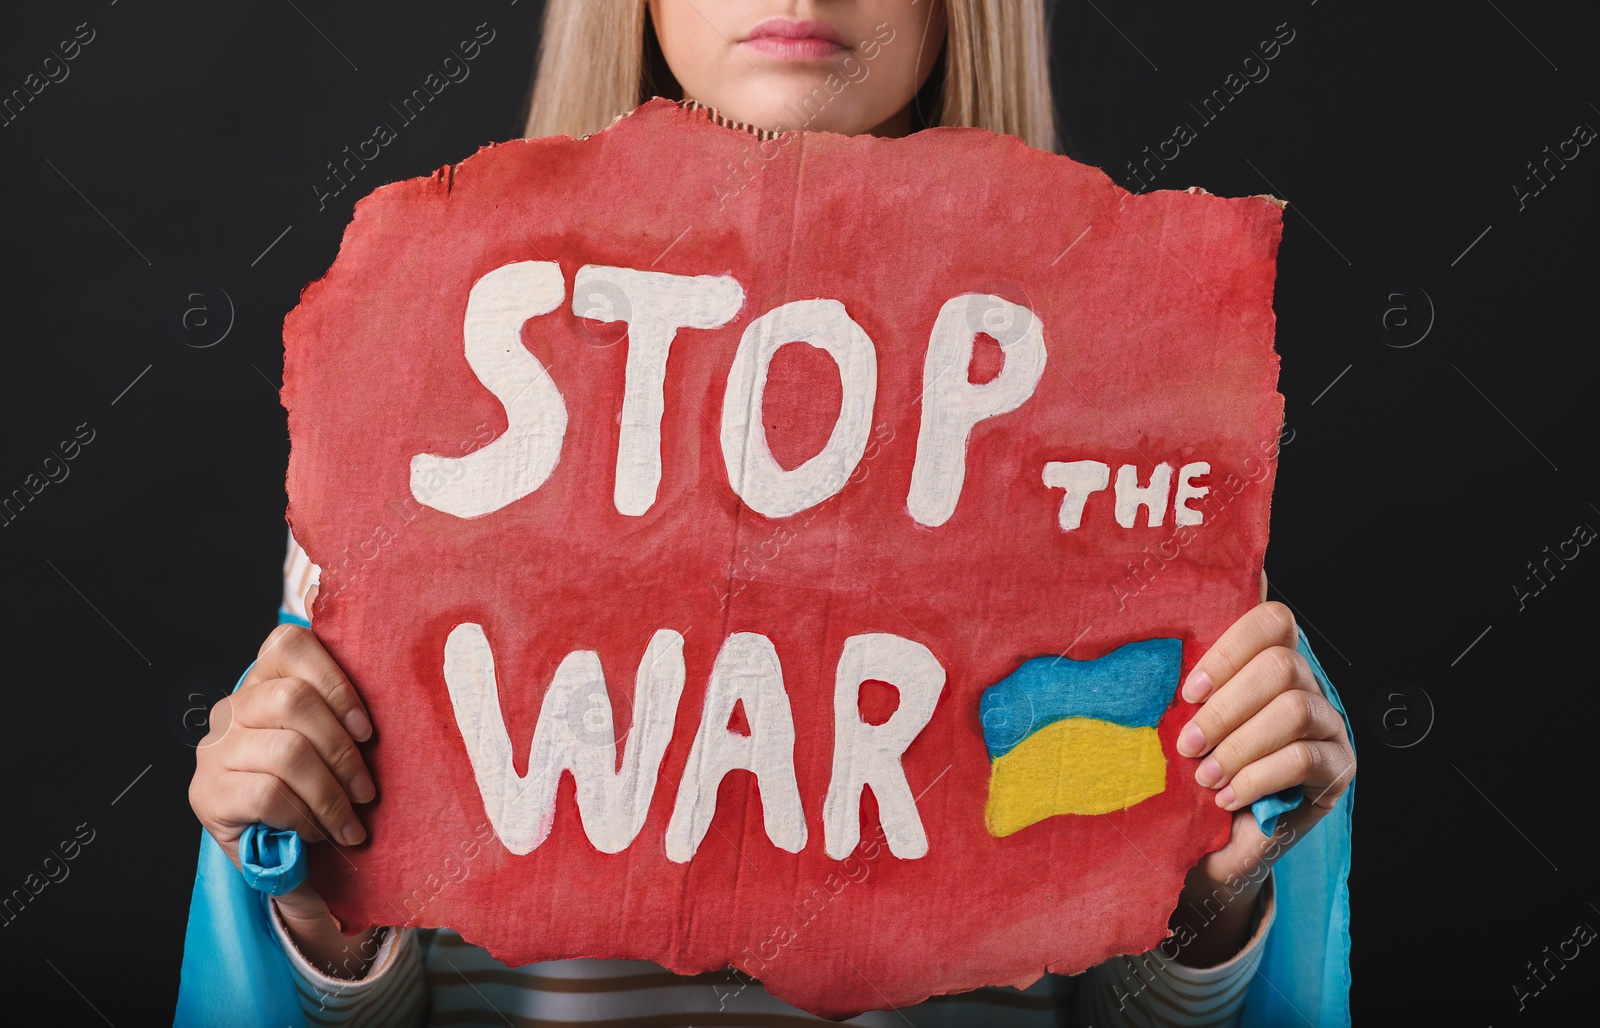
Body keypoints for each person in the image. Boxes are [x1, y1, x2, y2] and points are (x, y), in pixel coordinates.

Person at [178, 2, 1355, 1025]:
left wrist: (1210, 897)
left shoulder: (1122, 414)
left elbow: (1122, 983)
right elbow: (356, 980)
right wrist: (306, 895)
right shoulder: (442, 392)